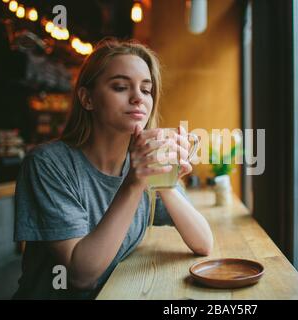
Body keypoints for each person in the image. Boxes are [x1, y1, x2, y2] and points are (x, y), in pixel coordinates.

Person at [13, 38, 213, 299]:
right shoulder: (47, 164)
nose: (138, 98)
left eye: (146, 89)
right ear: (87, 98)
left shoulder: (141, 163)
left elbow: (203, 243)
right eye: (120, 87)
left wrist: (166, 178)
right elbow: (81, 276)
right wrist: (134, 182)